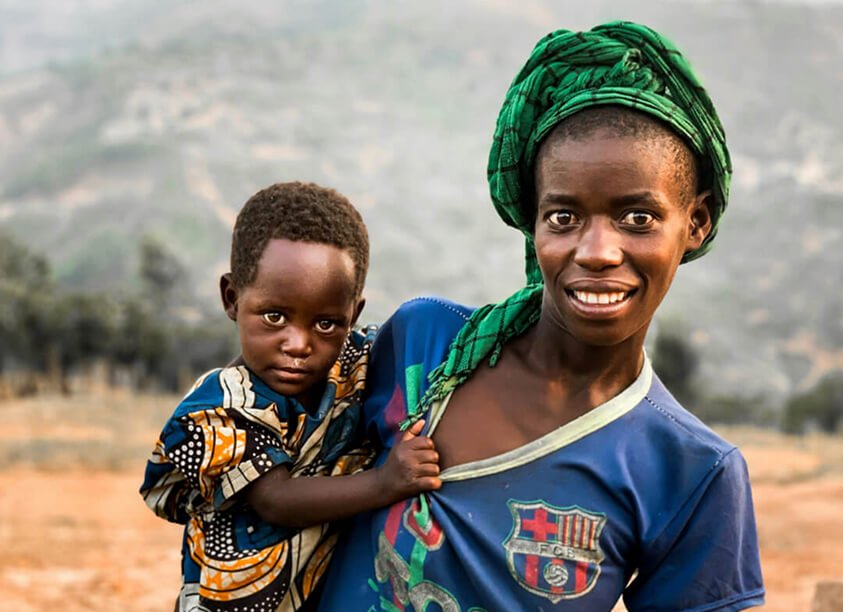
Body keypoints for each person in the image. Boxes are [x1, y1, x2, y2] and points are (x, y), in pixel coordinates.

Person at [316, 22, 764, 611]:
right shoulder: (423, 349)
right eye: (563, 217)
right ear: (533, 221)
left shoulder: (690, 472)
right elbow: (267, 464)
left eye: (638, 218)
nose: (597, 251)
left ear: (696, 222)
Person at [140, 182, 442, 612]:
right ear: (232, 298)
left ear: (352, 315)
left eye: (325, 324)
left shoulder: (352, 364)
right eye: (275, 317)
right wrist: (385, 482)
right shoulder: (217, 410)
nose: (298, 344)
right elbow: (276, 501)